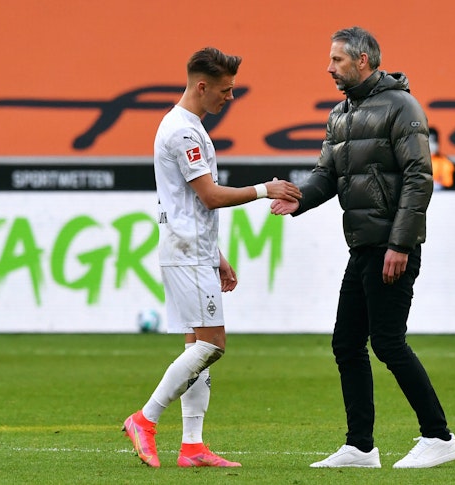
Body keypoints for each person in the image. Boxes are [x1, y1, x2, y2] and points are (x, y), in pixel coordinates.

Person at [271, 27, 455, 469]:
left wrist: (401, 243)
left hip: (392, 247)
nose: (329, 67)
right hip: (362, 246)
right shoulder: (340, 115)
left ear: (363, 60)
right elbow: (326, 176)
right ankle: (360, 447)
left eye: (337, 60)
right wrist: (297, 198)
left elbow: (419, 177)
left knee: (389, 343)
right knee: (346, 343)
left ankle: (439, 436)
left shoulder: (402, 106)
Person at [122, 47, 302, 469]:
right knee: (212, 344)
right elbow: (209, 196)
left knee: (196, 345)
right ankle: (144, 419)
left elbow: (190, 202)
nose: (230, 97)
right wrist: (265, 189)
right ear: (202, 86)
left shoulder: (187, 127)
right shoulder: (183, 132)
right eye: (226, 89)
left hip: (192, 249)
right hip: (186, 253)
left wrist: (215, 253)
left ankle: (192, 447)